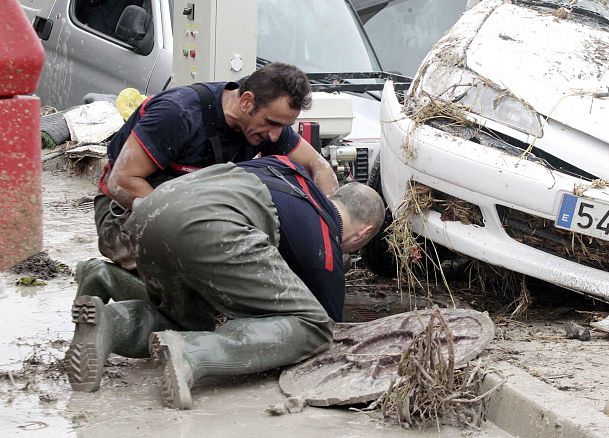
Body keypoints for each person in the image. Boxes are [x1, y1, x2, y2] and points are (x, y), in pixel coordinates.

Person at [66, 156, 385, 409]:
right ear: (362, 234)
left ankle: (109, 319)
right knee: (313, 327)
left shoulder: (286, 168)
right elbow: (330, 333)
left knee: (185, 317)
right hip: (212, 229)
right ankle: (193, 353)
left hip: (152, 211)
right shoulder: (325, 250)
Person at [76, 62, 338, 301]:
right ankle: (103, 277)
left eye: (283, 126)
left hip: (192, 217)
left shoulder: (266, 126)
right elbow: (122, 182)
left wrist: (330, 223)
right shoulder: (178, 113)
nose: (275, 136)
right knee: (197, 295)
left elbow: (320, 167)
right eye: (271, 123)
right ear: (247, 102)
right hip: (122, 215)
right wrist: (197, 234)